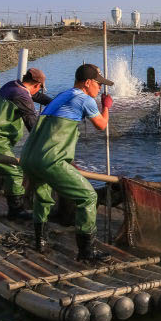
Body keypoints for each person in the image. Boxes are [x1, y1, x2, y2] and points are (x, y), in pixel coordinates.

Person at [20, 63, 114, 262]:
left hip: (29, 157)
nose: (100, 89)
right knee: (88, 197)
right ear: (88, 83)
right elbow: (101, 125)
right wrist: (106, 106)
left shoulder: (63, 95)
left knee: (43, 196)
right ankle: (86, 252)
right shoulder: (84, 99)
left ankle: (40, 241)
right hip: (50, 160)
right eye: (98, 84)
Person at [0, 68, 53, 219]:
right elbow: (32, 125)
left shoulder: (11, 86)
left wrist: (53, 103)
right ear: (37, 84)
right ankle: (16, 210)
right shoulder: (23, 97)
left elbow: (35, 95)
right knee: (15, 171)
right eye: (39, 87)